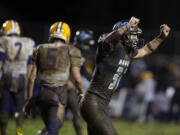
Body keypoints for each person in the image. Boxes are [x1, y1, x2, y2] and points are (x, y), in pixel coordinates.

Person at [80, 16, 170, 135]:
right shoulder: (109, 48)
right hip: (92, 103)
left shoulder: (128, 52)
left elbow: (145, 50)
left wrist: (161, 38)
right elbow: (107, 40)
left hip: (102, 105)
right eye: (133, 34)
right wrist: (127, 26)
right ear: (123, 33)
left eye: (136, 35)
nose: (136, 38)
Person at [24, 21, 84, 135]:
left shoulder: (39, 48)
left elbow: (32, 77)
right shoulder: (72, 50)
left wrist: (29, 100)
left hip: (41, 96)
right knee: (53, 130)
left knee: (51, 127)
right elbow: (77, 78)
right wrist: (81, 93)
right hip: (58, 96)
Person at [0, 20, 35, 135]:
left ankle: (3, 132)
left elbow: (1, 61)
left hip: (8, 76)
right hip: (21, 77)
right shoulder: (27, 42)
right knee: (20, 108)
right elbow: (30, 64)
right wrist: (26, 79)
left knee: (4, 107)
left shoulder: (4, 41)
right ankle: (19, 131)